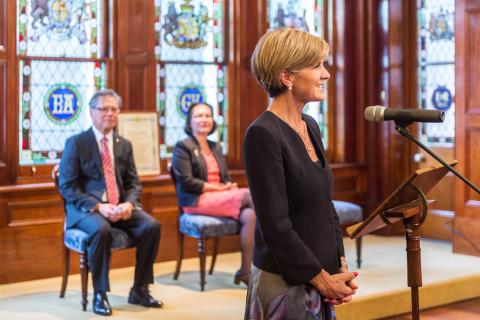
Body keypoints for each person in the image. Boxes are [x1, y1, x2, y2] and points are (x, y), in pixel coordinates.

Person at [243, 28, 358, 319]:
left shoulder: (310, 125)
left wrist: (338, 265)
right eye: (317, 65)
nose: (326, 74)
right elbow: (275, 226)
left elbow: (324, 205)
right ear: (287, 77)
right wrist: (321, 278)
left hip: (320, 275)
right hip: (284, 282)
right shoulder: (262, 133)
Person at [58, 89, 162, 316]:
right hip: (87, 210)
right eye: (104, 108)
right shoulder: (76, 143)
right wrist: (99, 206)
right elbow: (67, 186)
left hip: (119, 206)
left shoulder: (123, 144)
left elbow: (134, 183)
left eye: (114, 109)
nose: (110, 113)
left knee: (151, 226)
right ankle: (100, 293)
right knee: (101, 230)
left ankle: (140, 289)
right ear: (91, 112)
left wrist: (128, 204)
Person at [171, 102, 256, 285]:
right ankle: (279, 253)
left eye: (208, 116)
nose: (204, 119)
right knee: (252, 195)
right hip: (196, 201)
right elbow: (187, 182)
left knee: (251, 215)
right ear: (190, 121)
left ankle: (245, 271)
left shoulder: (215, 146)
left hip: (220, 198)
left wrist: (228, 185)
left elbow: (223, 177)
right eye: (198, 116)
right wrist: (220, 189)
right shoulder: (182, 147)